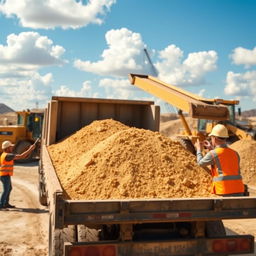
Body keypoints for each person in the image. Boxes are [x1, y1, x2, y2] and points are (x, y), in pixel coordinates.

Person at [195, 124, 244, 197]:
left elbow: (200, 163)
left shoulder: (213, 154)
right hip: (239, 190)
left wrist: (198, 149)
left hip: (223, 191)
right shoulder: (235, 153)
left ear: (214, 138)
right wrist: (212, 149)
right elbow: (223, 160)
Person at [0, 140, 36, 209]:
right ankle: (1, 205)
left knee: (9, 189)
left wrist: (29, 151)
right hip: (4, 175)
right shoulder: (8, 155)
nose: (12, 148)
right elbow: (21, 156)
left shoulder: (4, 154)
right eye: (11, 147)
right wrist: (30, 149)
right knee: (5, 190)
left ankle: (5, 203)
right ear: (7, 148)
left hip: (4, 175)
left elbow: (23, 156)